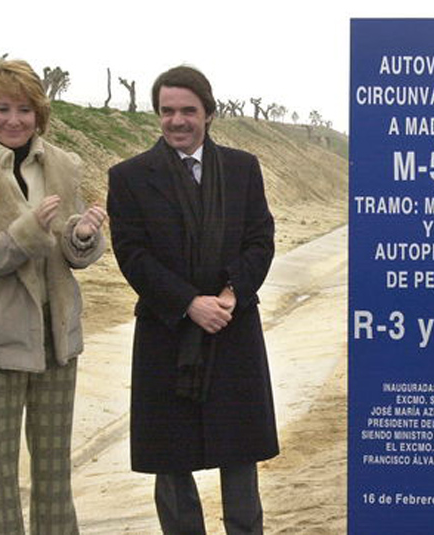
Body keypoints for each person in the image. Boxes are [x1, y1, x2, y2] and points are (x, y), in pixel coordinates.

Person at [0, 59, 107, 534]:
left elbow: (67, 252)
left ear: (39, 114)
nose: (14, 119)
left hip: (57, 343)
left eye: (24, 109)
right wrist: (27, 232)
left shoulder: (64, 166)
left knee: (54, 477)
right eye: (2, 108)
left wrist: (84, 236)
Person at [107, 65, 278, 535]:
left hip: (232, 324)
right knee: (171, 459)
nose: (177, 120)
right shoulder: (130, 177)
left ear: (209, 113)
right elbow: (132, 253)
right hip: (167, 329)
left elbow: (260, 239)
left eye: (188, 110)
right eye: (167, 111)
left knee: (240, 455)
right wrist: (188, 303)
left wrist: (229, 296)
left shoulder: (243, 168)